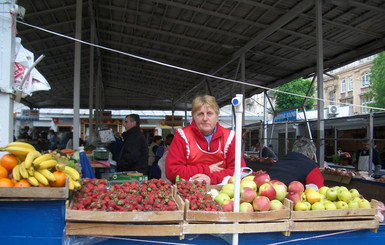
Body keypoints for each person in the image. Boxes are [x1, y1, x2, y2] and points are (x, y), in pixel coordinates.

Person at [165, 94, 246, 185]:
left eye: (209, 113)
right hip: (186, 193)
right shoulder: (182, 136)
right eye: (200, 114)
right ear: (193, 116)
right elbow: (172, 172)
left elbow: (240, 171)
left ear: (217, 115)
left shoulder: (230, 137)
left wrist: (211, 179)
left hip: (222, 194)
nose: (205, 118)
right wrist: (207, 169)